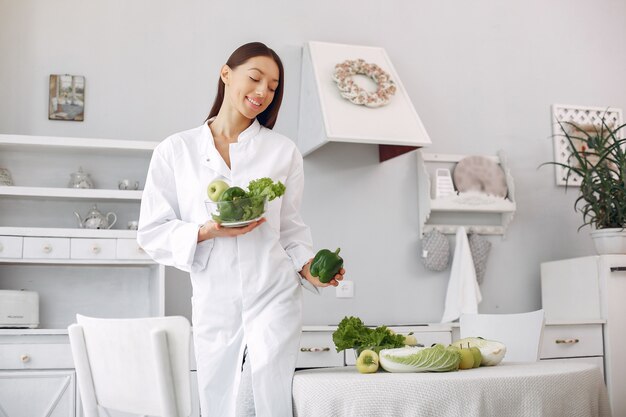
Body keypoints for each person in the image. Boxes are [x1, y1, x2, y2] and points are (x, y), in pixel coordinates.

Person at [137, 42, 345, 417]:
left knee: (271, 395)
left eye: (273, 86)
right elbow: (152, 231)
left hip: (274, 293)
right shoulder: (175, 151)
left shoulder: (283, 152)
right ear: (226, 74)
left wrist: (310, 267)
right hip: (215, 299)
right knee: (219, 398)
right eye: (255, 78)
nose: (263, 91)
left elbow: (291, 231)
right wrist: (205, 231)